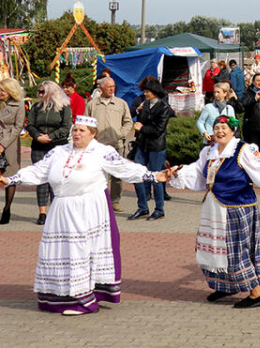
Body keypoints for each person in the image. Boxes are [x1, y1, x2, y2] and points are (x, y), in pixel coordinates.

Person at [0, 115, 169, 314]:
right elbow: (38, 171)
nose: (77, 133)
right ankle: (57, 296)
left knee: (79, 251)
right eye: (75, 130)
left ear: (93, 133)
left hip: (86, 208)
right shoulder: (59, 151)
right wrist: (10, 180)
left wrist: (153, 175)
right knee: (58, 251)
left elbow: (125, 168)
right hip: (60, 208)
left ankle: (82, 301)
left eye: (82, 130)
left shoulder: (102, 152)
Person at [168, 115, 260, 308]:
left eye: (224, 128)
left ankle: (256, 293)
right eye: (217, 127)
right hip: (214, 208)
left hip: (237, 208)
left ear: (233, 131)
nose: (220, 131)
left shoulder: (243, 150)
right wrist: (178, 172)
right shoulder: (209, 152)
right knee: (215, 249)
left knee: (235, 251)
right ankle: (225, 285)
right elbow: (197, 173)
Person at [84, 76, 134, 213]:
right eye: (108, 87)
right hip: (97, 145)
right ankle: (97, 201)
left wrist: (121, 133)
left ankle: (115, 201)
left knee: (116, 175)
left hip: (115, 145)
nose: (112, 89)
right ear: (100, 89)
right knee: (95, 174)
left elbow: (128, 122)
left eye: (113, 86)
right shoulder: (92, 105)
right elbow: (86, 123)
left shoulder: (121, 103)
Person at [28, 80, 73, 225]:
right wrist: (38, 136)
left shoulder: (64, 107)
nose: (40, 95)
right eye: (39, 92)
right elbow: (30, 124)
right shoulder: (36, 107)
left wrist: (51, 137)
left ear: (51, 92)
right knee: (41, 179)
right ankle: (42, 213)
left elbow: (66, 127)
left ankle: (56, 211)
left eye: (43, 92)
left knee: (56, 179)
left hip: (58, 146)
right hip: (39, 146)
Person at [129, 77, 172, 221]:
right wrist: (138, 111)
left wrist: (142, 128)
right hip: (142, 145)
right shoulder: (145, 104)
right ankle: (142, 207)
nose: (145, 94)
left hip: (156, 147)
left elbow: (159, 130)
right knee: (137, 174)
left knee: (156, 177)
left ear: (155, 92)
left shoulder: (164, 107)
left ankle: (159, 209)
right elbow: (138, 118)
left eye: (147, 91)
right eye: (145, 91)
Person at [0, 76, 27, 224]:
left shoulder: (19, 105)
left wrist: (3, 144)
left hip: (10, 143)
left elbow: (18, 127)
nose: (1, 92)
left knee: (10, 176)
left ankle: (7, 208)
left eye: (3, 90)